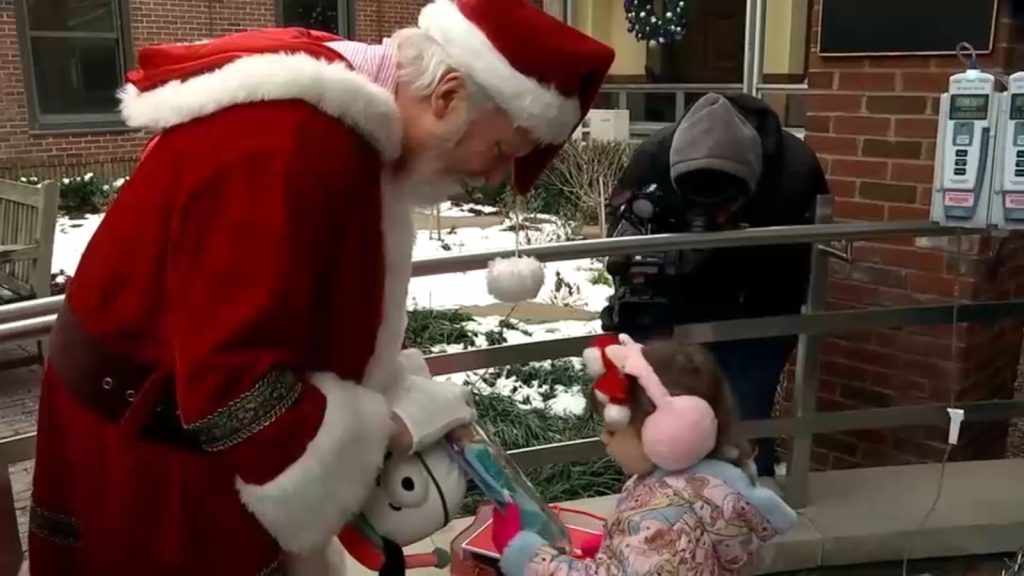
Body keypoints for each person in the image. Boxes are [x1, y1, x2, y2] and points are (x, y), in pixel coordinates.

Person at [25, 1, 615, 574]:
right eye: (501, 150)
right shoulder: (285, 141)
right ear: (447, 96)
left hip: (177, 445)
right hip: (148, 468)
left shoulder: (342, 130)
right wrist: (383, 431)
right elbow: (231, 382)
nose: (491, 177)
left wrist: (386, 388)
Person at [600, 92, 831, 477]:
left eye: (722, 204)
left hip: (761, 302)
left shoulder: (793, 171)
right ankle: (666, 498)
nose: (710, 215)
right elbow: (623, 246)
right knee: (668, 409)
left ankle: (747, 496)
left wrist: (734, 245)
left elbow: (802, 261)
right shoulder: (653, 160)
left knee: (744, 412)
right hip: (676, 303)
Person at [491, 335, 798, 575]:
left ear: (669, 434)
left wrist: (527, 556)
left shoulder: (666, 519)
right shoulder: (709, 486)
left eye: (613, 430)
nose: (603, 438)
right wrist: (616, 546)